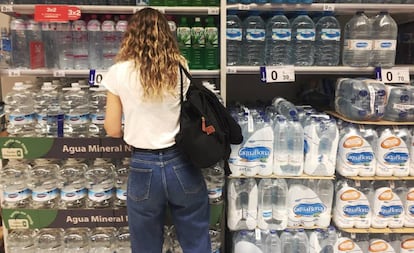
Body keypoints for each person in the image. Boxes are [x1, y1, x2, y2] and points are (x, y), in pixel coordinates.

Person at [102, 8, 211, 253]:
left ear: (131, 35)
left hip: (143, 166)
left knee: (145, 244)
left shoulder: (118, 72)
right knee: (196, 238)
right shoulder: (179, 66)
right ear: (166, 34)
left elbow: (112, 129)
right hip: (181, 163)